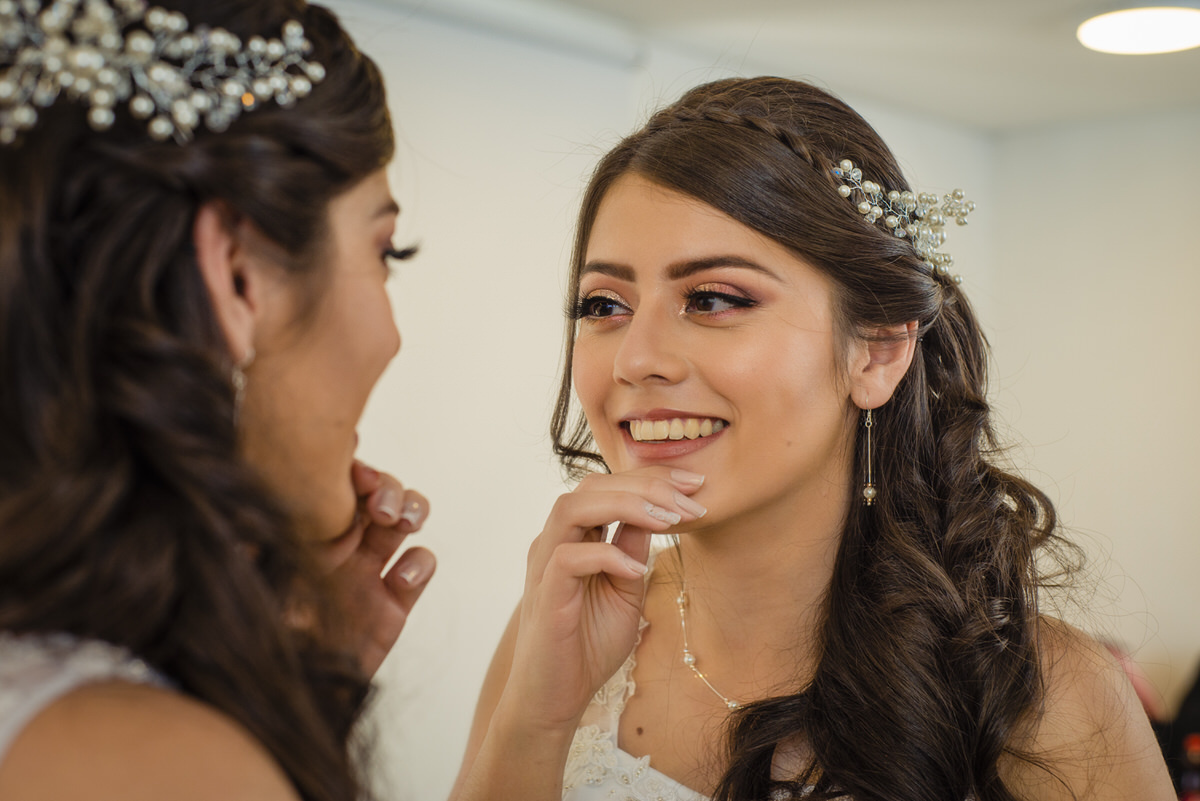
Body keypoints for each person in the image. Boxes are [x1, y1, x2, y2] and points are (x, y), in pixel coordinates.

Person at [451, 77, 1174, 801]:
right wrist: (535, 723)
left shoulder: (1054, 702)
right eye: (604, 305)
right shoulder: (561, 630)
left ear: (878, 350)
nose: (636, 360)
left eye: (712, 299)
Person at [0, 1, 436, 799]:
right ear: (237, 276)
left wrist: (284, 683)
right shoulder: (151, 764)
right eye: (386, 251)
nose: (394, 335)